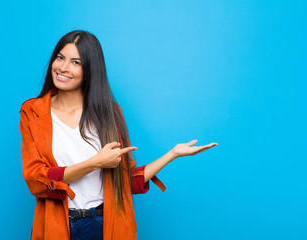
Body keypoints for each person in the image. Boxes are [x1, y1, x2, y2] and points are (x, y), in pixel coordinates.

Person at [19, 30, 218, 240]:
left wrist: (173, 154)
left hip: (105, 225)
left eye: (75, 62)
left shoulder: (110, 113)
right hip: (57, 225)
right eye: (60, 58)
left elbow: (126, 180)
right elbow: (37, 180)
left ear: (89, 70)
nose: (63, 68)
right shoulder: (33, 112)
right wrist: (96, 162)